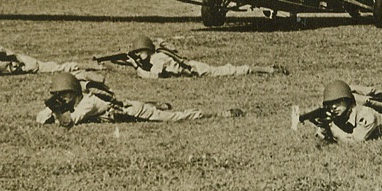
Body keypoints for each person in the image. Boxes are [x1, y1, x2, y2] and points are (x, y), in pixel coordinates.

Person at [35, 71, 243, 126]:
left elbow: (67, 122)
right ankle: (156, 104)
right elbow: (40, 119)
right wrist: (50, 108)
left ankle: (218, 113)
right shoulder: (75, 102)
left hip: (132, 112)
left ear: (73, 92)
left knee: (173, 118)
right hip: (122, 110)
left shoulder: (87, 103)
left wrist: (54, 110)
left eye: (63, 95)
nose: (61, 98)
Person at [97, 35, 288, 78]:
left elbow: (152, 76)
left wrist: (136, 67)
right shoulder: (158, 54)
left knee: (230, 70)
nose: (138, 55)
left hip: (196, 70)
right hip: (192, 67)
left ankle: (267, 69)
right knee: (229, 69)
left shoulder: (158, 59)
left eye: (139, 52)